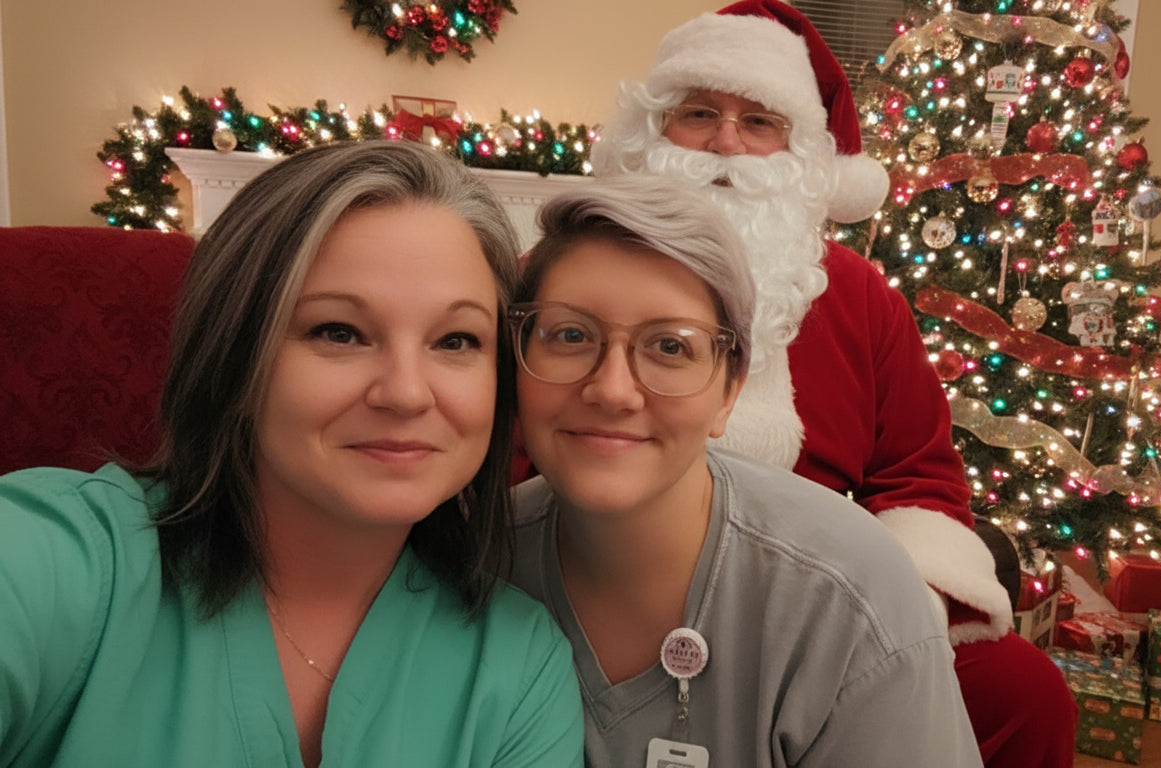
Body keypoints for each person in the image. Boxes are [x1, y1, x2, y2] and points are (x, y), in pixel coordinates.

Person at [589, 2, 1077, 766]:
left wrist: (886, 604)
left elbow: (919, 476)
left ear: (799, 152)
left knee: (1019, 690)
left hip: (818, 590)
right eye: (698, 113)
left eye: (760, 123)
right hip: (610, 583)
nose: (726, 144)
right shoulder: (572, 277)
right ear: (653, 131)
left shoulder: (856, 295)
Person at [0, 141, 582, 768]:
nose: (408, 393)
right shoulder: (57, 564)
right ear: (233, 356)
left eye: (456, 340)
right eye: (338, 332)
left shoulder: (519, 665)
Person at [506, 173, 982, 767]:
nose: (613, 391)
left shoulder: (849, 599)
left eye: (671, 346)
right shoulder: (470, 564)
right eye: (571, 334)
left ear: (729, 390)